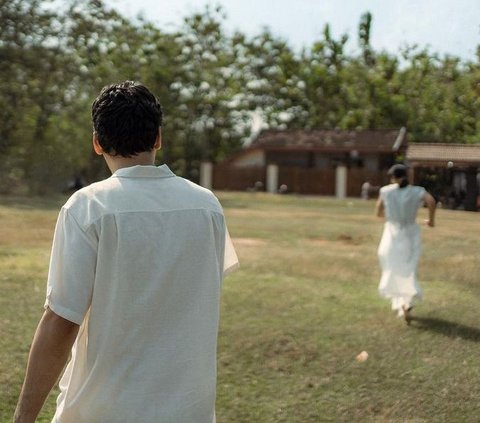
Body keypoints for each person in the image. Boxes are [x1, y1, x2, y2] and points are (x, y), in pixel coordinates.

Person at [14, 81, 239, 423]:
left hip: (103, 411)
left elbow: (61, 319)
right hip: (189, 411)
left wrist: (22, 418)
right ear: (158, 137)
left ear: (97, 142)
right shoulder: (207, 206)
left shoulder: (88, 207)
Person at [375, 164, 436, 324]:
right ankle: (405, 302)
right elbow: (431, 200)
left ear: (394, 178)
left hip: (392, 233)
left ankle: (401, 302)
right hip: (410, 233)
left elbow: (378, 211)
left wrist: (386, 215)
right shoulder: (417, 191)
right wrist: (431, 220)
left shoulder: (386, 191)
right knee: (408, 268)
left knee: (393, 267)